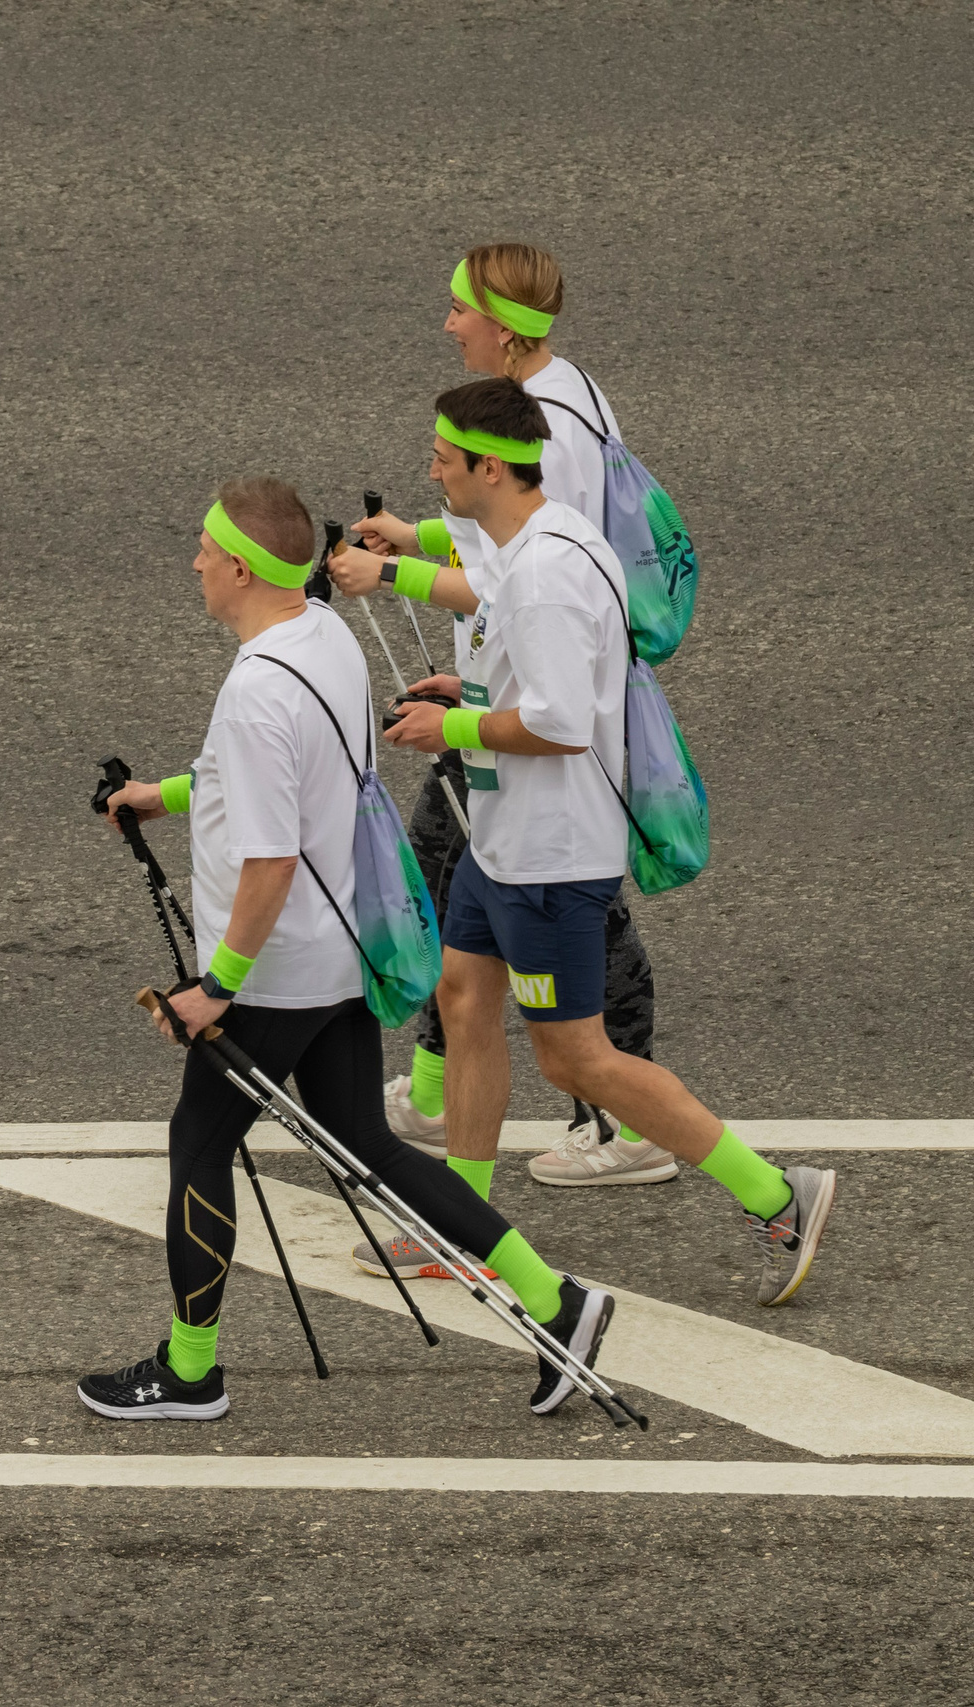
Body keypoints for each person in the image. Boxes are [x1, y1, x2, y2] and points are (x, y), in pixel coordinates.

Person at [76, 476, 617, 1423]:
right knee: (369, 1144)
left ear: (239, 567)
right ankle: (556, 1300)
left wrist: (215, 987)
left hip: (275, 970)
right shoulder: (320, 636)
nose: (195, 562)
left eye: (205, 551)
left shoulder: (252, 690)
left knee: (197, 1143)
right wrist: (164, 793)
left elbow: (270, 861)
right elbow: (284, 767)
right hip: (342, 954)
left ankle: (190, 1369)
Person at [372, 380, 834, 1307]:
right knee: (464, 1001)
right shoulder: (541, 542)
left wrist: (451, 733)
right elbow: (530, 671)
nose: (431, 471)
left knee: (575, 1059)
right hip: (504, 843)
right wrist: (463, 693)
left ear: (489, 466)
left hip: (550, 857)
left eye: (442, 458)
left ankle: (780, 1194)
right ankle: (465, 1229)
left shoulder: (541, 576)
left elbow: (560, 722)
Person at [330, 243, 671, 1197]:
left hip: (546, 729)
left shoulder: (546, 432)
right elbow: (502, 531)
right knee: (466, 931)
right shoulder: (554, 396)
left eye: (458, 308)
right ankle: (450, 1106)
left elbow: (516, 577)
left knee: (562, 922)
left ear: (505, 323)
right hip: (512, 702)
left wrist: (392, 573)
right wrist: (420, 534)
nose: (447, 324)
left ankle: (625, 1116)